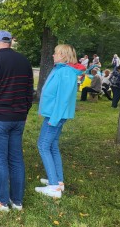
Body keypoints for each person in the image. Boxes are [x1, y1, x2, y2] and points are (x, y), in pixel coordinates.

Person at [0, 30, 34, 211]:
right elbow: (29, 92)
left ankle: (1, 200)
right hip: (18, 118)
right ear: (9, 42)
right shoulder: (24, 61)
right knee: (16, 159)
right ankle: (17, 200)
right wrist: (24, 112)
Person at [35, 44, 85, 198]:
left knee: (43, 145)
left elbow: (63, 99)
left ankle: (54, 187)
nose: (53, 55)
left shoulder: (65, 72)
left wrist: (54, 119)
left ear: (63, 55)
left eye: (56, 53)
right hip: (53, 114)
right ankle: (58, 180)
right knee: (52, 145)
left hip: (55, 116)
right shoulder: (60, 69)